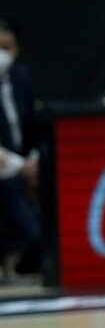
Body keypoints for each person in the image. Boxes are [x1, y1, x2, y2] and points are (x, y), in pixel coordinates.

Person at [0, 17, 45, 281]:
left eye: (8, 48)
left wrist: (36, 159)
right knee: (12, 187)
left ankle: (43, 254)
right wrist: (19, 166)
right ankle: (33, 245)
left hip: (23, 162)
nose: (3, 55)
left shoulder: (20, 76)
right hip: (7, 168)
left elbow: (34, 125)